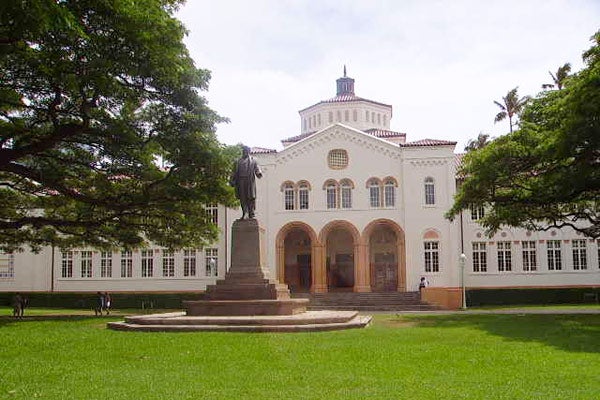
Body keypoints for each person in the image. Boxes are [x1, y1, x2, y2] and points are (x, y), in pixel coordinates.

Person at [230, 145, 263, 219]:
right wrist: (231, 180)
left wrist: (259, 173)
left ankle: (251, 213)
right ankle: (245, 212)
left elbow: (257, 168)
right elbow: (233, 172)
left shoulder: (253, 160)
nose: (244, 152)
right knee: (243, 198)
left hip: (249, 180)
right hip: (240, 181)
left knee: (250, 197)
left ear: (248, 151)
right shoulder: (238, 161)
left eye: (246, 150)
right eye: (243, 151)